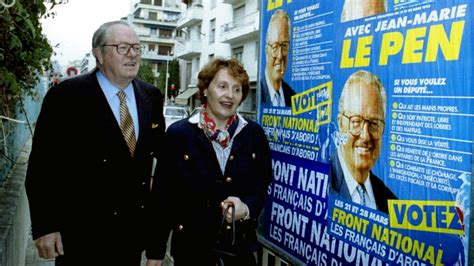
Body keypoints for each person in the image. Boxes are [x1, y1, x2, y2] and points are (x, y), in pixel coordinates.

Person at [25, 21, 166, 265]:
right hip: (81, 235)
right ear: (99, 53)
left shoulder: (151, 96)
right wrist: (45, 227)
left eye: (136, 47)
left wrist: (155, 245)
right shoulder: (67, 96)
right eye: (122, 47)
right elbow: (42, 165)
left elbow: (156, 169)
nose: (132, 54)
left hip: (130, 238)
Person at [146, 58, 272, 266]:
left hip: (240, 252)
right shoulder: (179, 135)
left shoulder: (254, 134)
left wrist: (247, 208)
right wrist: (155, 255)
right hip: (191, 252)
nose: (229, 95)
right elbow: (163, 198)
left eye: (237, 89)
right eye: (222, 86)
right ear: (205, 90)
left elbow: (262, 184)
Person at [329, 70, 396, 213]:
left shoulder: (390, 203)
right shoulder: (318, 184)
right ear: (340, 123)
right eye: (356, 121)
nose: (365, 136)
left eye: (374, 123)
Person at [260, 9, 296, 107]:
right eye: (275, 46)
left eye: (284, 46)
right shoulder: (258, 94)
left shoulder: (292, 97)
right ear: (266, 50)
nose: (280, 56)